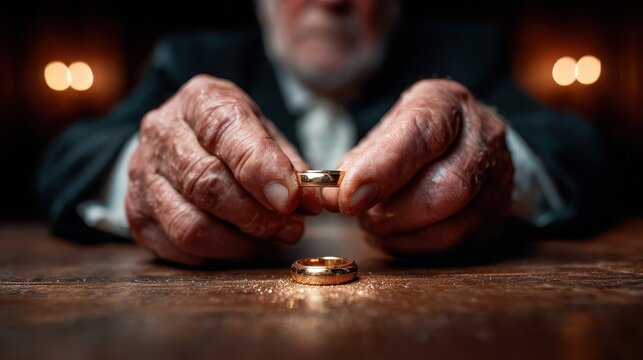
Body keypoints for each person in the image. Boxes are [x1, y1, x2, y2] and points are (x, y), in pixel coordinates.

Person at [36, 0, 608, 265]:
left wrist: (497, 165)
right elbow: (69, 157)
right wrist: (157, 169)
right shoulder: (190, 57)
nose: (330, 1)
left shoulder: (465, 51)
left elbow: (584, 151)